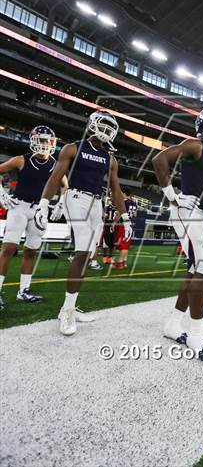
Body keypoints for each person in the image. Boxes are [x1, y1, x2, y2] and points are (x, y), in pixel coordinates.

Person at [34, 110, 133, 335]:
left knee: (87, 254)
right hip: (75, 197)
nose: (107, 131)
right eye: (104, 126)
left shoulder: (111, 158)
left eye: (111, 128)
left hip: (96, 203)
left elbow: (116, 190)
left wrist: (125, 217)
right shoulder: (74, 147)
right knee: (81, 251)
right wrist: (43, 204)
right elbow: (55, 176)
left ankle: (70, 306)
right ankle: (67, 311)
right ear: (93, 125)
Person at [152, 107, 203, 363]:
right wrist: (172, 198)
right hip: (188, 212)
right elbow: (159, 160)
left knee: (194, 269)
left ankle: (173, 324)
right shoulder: (195, 145)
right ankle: (197, 334)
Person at [0, 126, 66, 310]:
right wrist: (1, 193)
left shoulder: (55, 164)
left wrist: (61, 203)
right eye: (42, 140)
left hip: (39, 210)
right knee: (9, 248)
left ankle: (24, 291)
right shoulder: (21, 160)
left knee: (31, 251)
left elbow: (65, 185)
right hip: (19, 207)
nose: (45, 144)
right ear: (34, 140)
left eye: (48, 141)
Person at [113, 189, 138, 269]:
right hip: (131, 224)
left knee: (122, 245)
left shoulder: (123, 202)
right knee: (126, 245)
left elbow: (119, 213)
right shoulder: (134, 203)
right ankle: (124, 262)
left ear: (124, 193)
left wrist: (114, 222)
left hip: (123, 224)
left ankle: (120, 263)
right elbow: (135, 215)